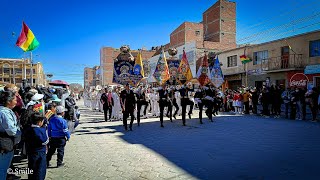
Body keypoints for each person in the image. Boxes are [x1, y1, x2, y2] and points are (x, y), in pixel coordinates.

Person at [0, 91, 21, 179]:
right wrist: (20, 132)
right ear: (9, 101)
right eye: (15, 100)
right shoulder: (4, 113)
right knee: (2, 169)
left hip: (6, 143)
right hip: (5, 143)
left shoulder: (6, 111)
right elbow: (11, 131)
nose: (16, 102)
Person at [25, 112, 49, 180]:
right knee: (40, 170)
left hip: (31, 151)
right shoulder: (39, 130)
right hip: (40, 152)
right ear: (39, 122)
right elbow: (45, 141)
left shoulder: (28, 129)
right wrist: (45, 129)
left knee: (31, 168)